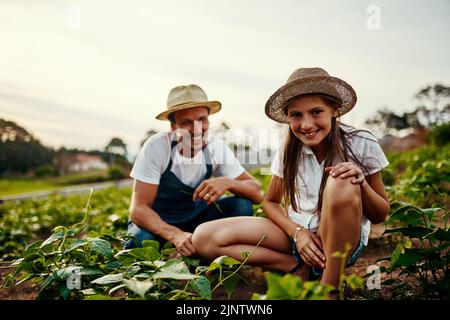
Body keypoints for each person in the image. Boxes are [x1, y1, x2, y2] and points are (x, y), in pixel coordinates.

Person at [192, 67, 390, 294]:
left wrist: (361, 184)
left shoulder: (360, 142)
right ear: (288, 117)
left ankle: (329, 288)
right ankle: (296, 266)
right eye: (296, 115)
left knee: (341, 181)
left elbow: (380, 214)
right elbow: (270, 203)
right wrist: (299, 233)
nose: (306, 124)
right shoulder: (289, 149)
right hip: (296, 240)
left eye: (316, 112)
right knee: (204, 237)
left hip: (339, 244)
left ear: (334, 110)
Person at [125, 84, 263, 256]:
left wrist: (228, 183)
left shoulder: (215, 147)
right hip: (160, 219)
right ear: (173, 127)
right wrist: (175, 235)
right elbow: (138, 209)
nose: (197, 128)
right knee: (141, 241)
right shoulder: (157, 147)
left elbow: (257, 193)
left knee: (241, 205)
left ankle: (207, 247)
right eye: (186, 122)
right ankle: (185, 247)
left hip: (196, 216)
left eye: (202, 119)